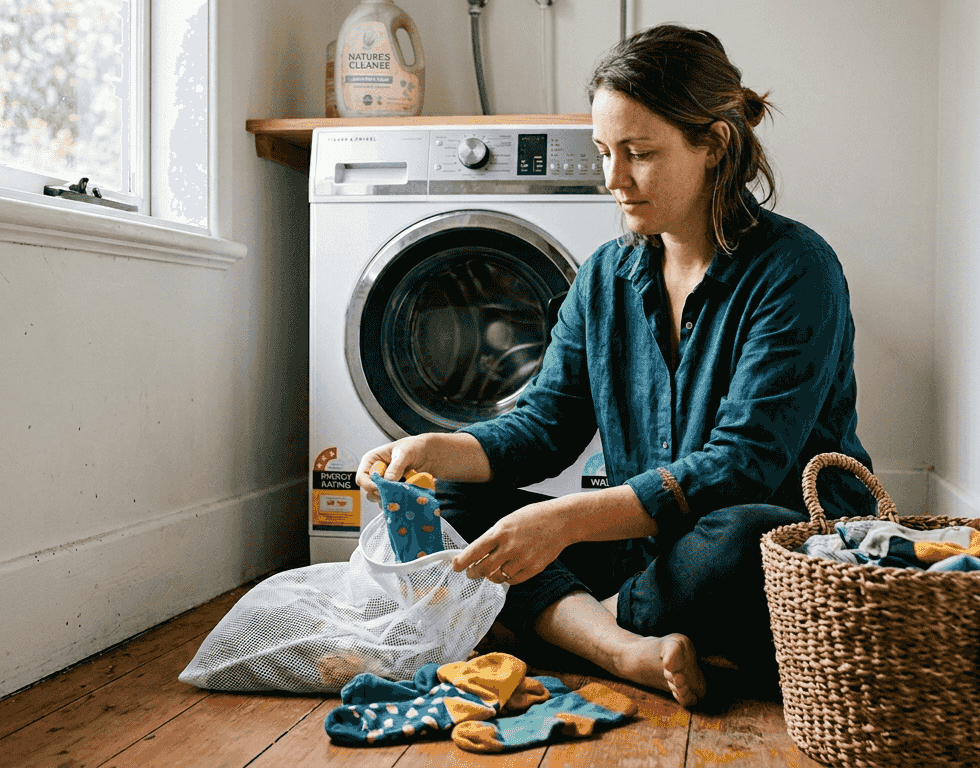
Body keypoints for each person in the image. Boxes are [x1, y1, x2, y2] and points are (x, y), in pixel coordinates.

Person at [355, 23, 873, 708]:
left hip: (760, 550)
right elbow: (543, 428)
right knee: (449, 500)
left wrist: (566, 520)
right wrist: (433, 449)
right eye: (603, 152)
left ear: (713, 145)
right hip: (648, 556)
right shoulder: (606, 276)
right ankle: (626, 647)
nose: (613, 179)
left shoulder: (796, 269)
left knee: (746, 537)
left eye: (639, 153)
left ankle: (552, 626)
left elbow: (742, 465)